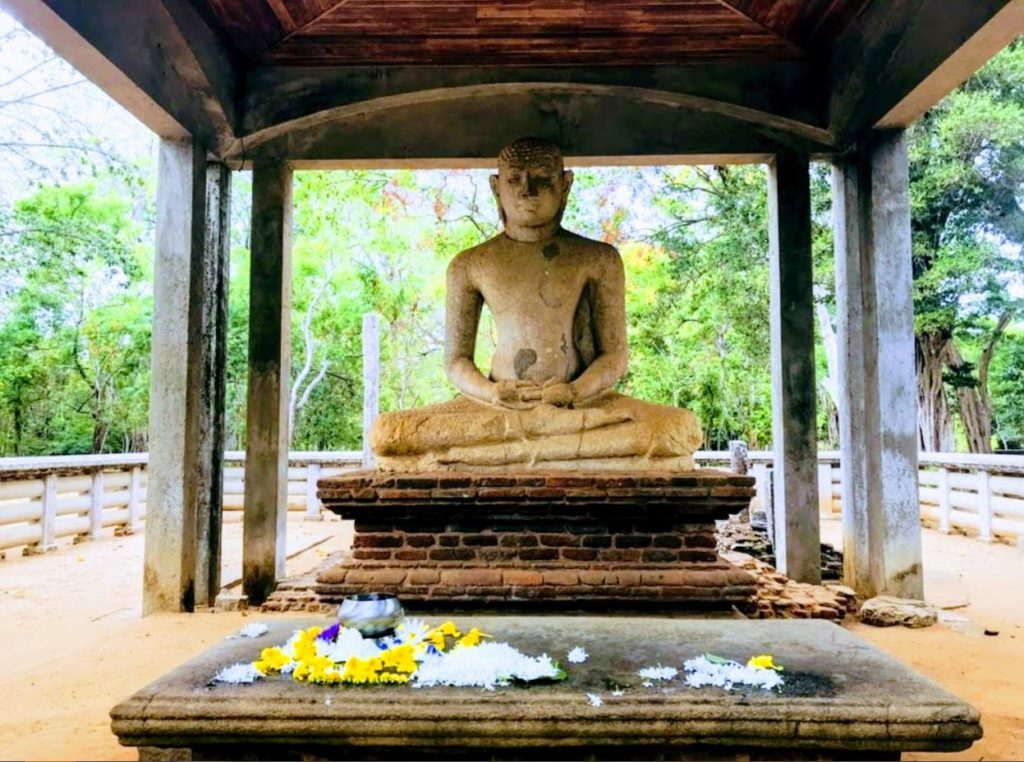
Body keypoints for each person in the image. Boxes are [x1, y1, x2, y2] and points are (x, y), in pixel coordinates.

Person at [370, 137, 701, 471]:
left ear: (565, 184)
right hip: (498, 409)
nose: (527, 190)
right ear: (496, 187)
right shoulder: (469, 264)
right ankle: (555, 451)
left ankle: (496, 455)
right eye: (514, 180)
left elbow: (614, 356)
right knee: (386, 433)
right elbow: (456, 361)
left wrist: (574, 392)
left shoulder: (598, 259)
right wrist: (492, 393)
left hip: (578, 408)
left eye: (542, 178)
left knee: (677, 428)